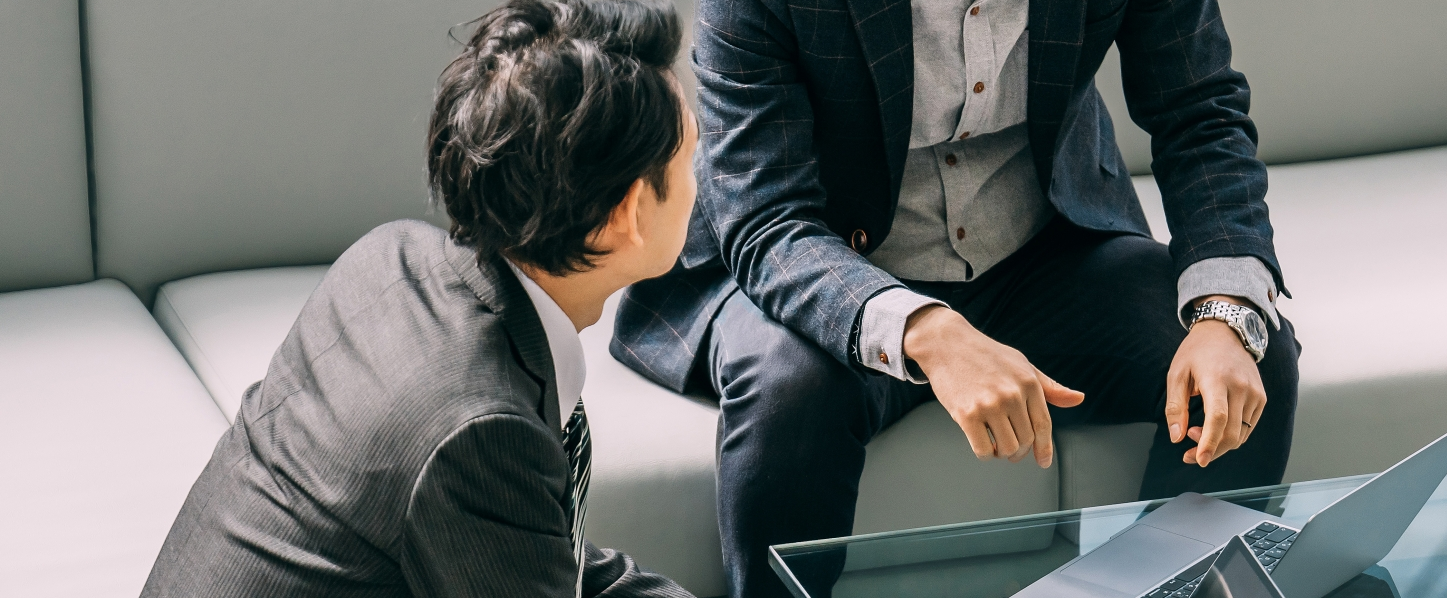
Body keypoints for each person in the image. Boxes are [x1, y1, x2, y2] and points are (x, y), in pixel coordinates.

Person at [610, 0, 1303, 594]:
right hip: (822, 259)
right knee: (790, 394)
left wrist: (1223, 313)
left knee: (1250, 354)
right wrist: (928, 332)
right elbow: (769, 220)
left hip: (1038, 248)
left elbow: (1199, 112)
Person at [140, 1, 697, 596]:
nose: (702, 176)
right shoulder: (481, 431)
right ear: (626, 214)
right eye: (692, 156)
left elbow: (536, 557)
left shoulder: (392, 257)